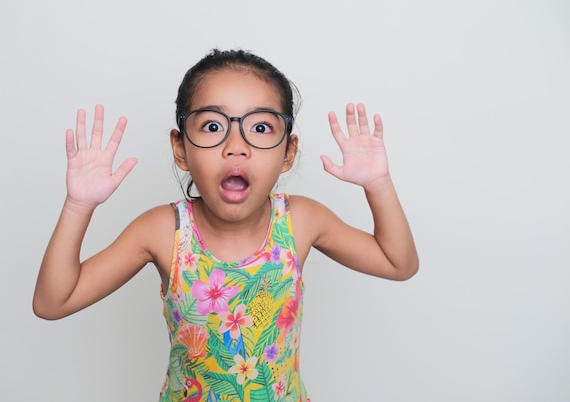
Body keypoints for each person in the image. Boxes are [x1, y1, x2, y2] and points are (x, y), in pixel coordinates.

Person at [33, 49, 418, 402]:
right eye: (213, 127)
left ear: (289, 153)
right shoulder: (162, 231)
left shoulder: (301, 221)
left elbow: (398, 263)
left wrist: (379, 185)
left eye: (261, 128)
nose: (237, 145)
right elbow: (53, 302)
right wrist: (78, 205)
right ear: (181, 148)